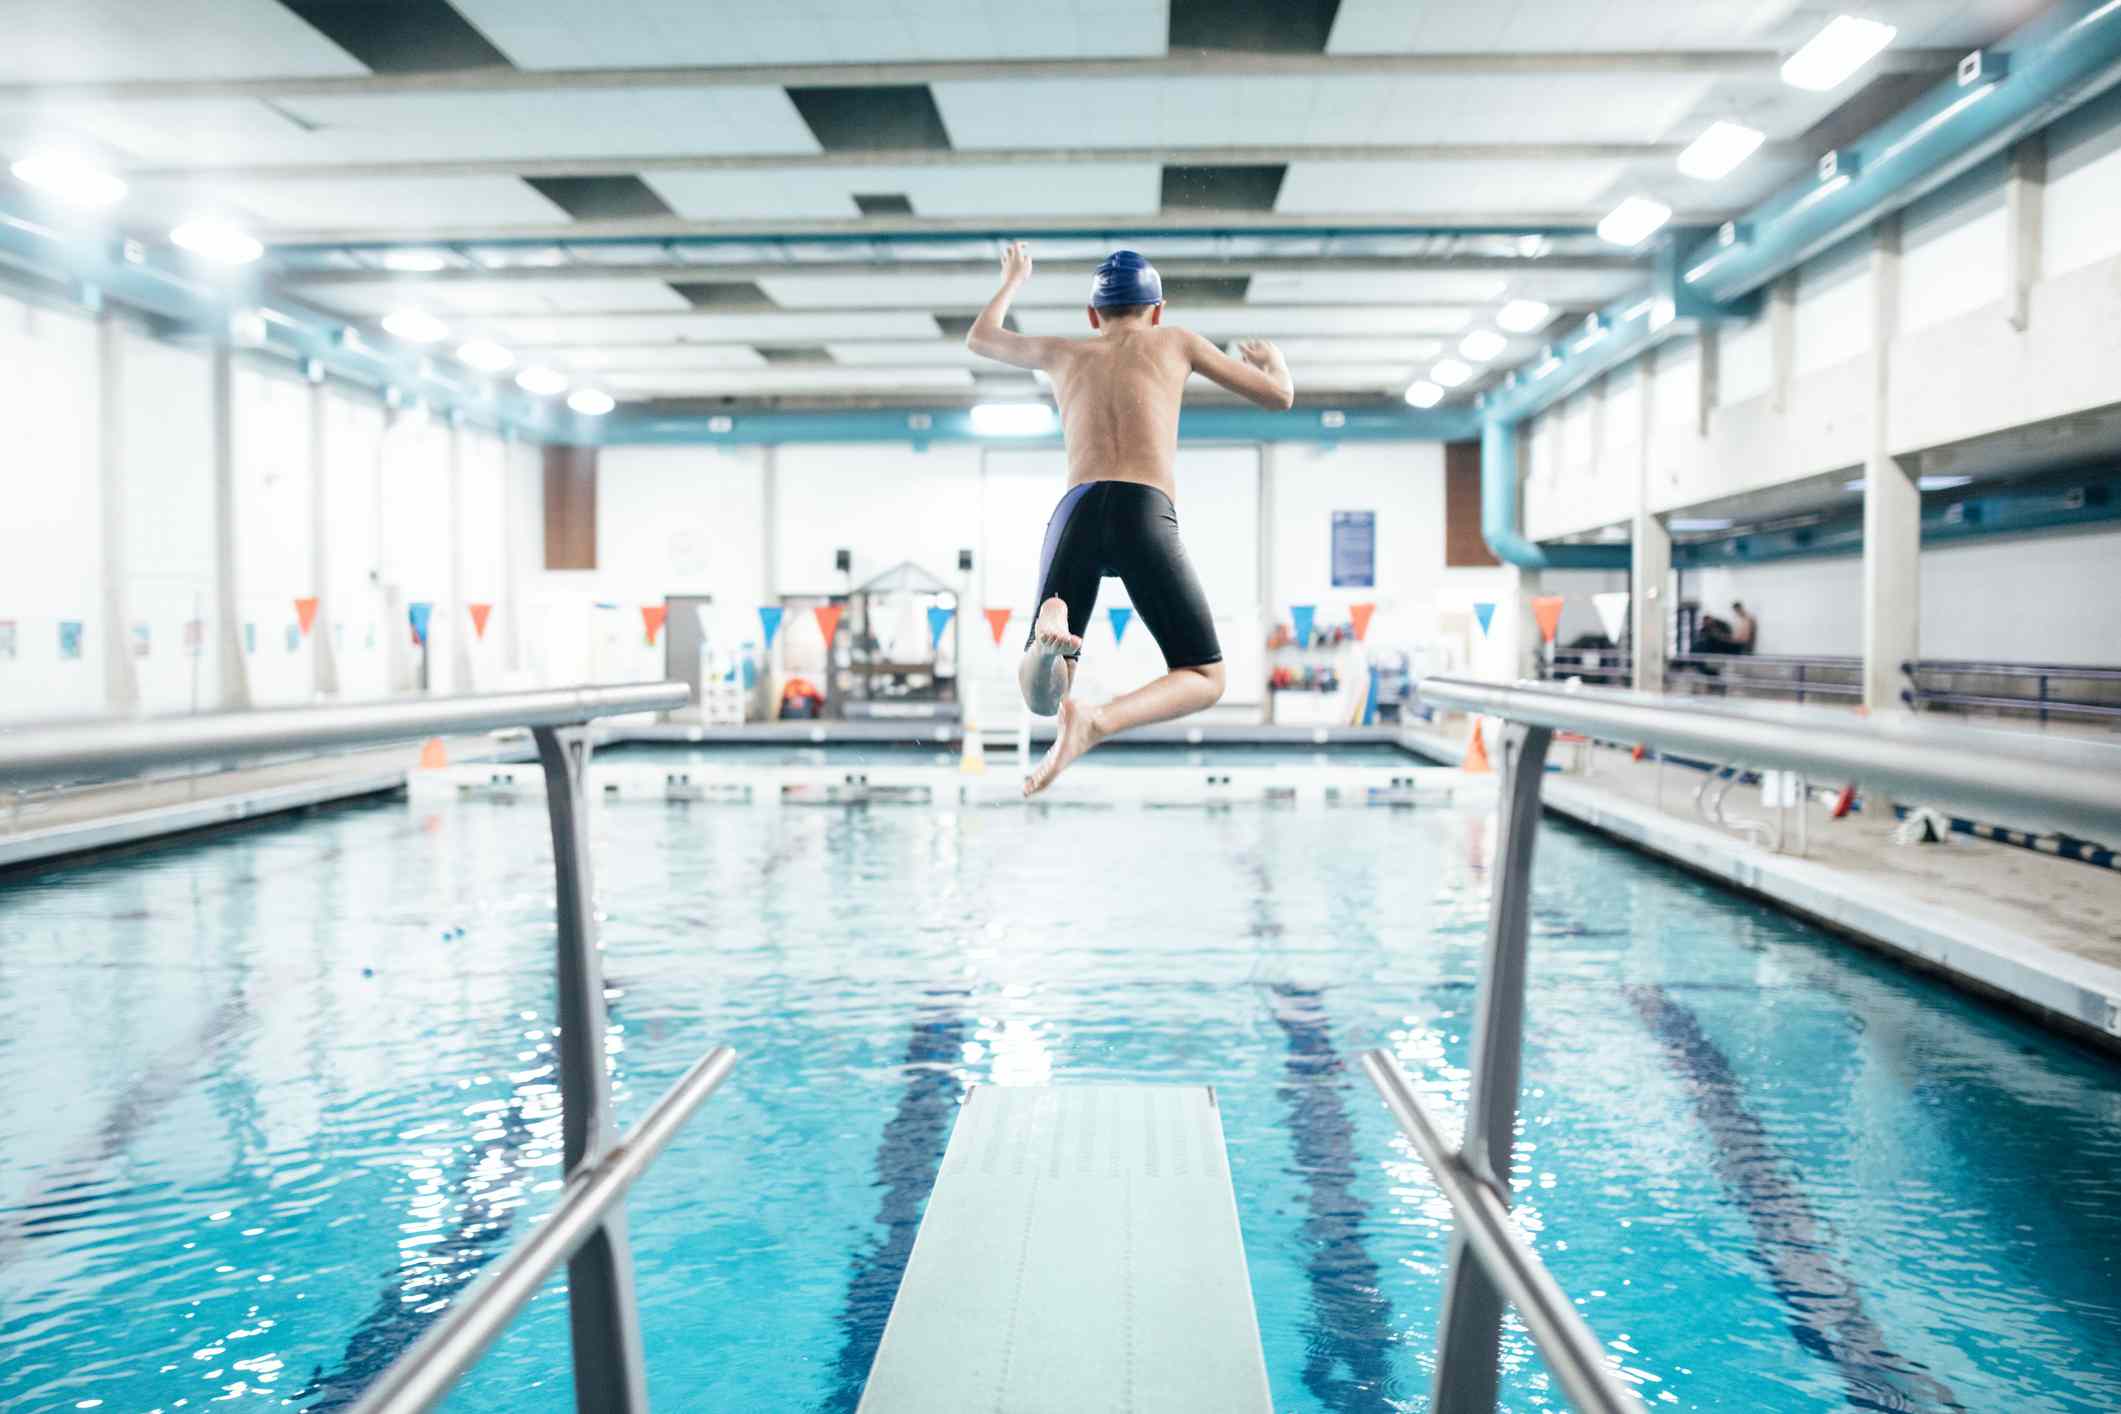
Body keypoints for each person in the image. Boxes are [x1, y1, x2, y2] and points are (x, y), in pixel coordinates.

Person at [966, 242, 1294, 796]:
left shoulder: (1065, 352)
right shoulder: (1177, 341)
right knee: (1204, 676)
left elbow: (981, 337)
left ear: (1093, 316)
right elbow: (1279, 396)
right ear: (1157, 310)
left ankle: (1051, 637)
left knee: (1044, 698)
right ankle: (1099, 720)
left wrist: (1015, 279)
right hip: (1145, 512)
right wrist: (1273, 362)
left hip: (1077, 510)